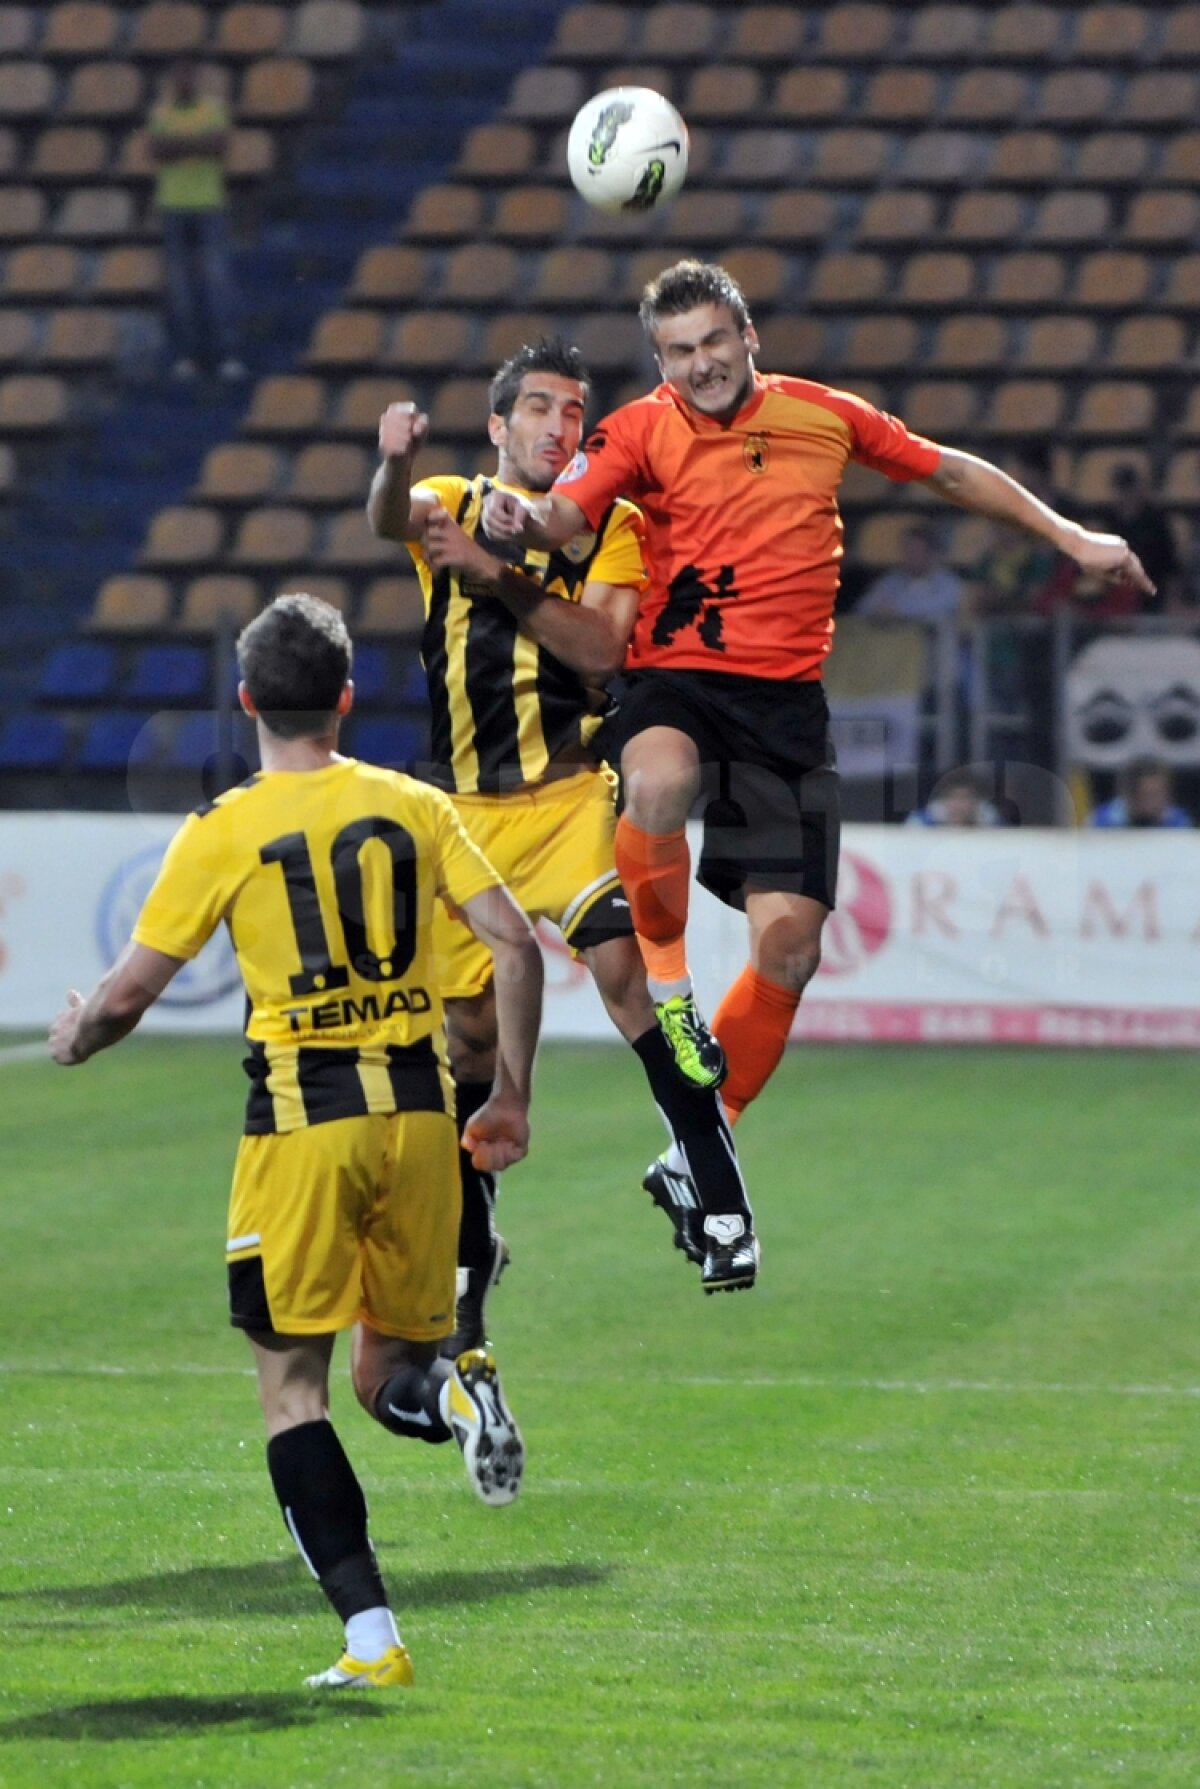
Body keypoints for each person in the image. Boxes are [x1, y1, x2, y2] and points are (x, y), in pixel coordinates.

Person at [481, 259, 1154, 1221]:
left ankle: (697, 1142)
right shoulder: (637, 430)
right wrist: (519, 520)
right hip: (680, 679)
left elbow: (950, 469)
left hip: (786, 708)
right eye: (679, 352)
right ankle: (670, 988)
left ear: (749, 337)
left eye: (715, 342)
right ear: (660, 361)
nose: (701, 365)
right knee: (658, 781)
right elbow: (560, 513)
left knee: (790, 952)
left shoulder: (823, 415)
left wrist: (1070, 538)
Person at [48, 593, 542, 1690]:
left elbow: (133, 992)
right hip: (422, 1121)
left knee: (295, 1397)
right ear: (348, 697)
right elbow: (515, 943)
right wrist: (506, 1096)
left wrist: (79, 1037)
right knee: (389, 1373)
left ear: (244, 703)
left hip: (300, 1122)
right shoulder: (415, 805)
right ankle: (460, 1392)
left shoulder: (224, 827)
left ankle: (373, 1640)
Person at [367, 337, 757, 1299]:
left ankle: (719, 1198)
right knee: (467, 1038)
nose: (559, 425)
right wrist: (395, 461)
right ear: (499, 426)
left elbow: (601, 651)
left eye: (575, 412)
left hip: (570, 797)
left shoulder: (610, 525)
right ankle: (472, 1239)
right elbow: (387, 519)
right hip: (462, 816)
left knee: (627, 972)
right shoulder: (450, 503)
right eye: (539, 407)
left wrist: (499, 576)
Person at [147, 58, 244, 381]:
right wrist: (195, 144)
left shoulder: (212, 109)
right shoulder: (161, 112)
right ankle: (189, 355)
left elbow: (218, 146)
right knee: (180, 285)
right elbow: (157, 149)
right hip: (173, 204)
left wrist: (179, 146)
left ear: (196, 78)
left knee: (215, 279)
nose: (183, 81)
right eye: (178, 75)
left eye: (188, 75)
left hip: (208, 203)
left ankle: (225, 352)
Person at [1088, 757, 1192, 828]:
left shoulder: (1178, 819)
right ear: (1129, 794)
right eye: (1151, 795)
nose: (1160, 801)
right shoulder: (1102, 821)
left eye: (1163, 793)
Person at [906, 767, 1007, 827]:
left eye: (966, 798)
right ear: (943, 799)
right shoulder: (923, 820)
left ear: (977, 800)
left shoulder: (991, 820)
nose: (959, 806)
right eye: (954, 798)